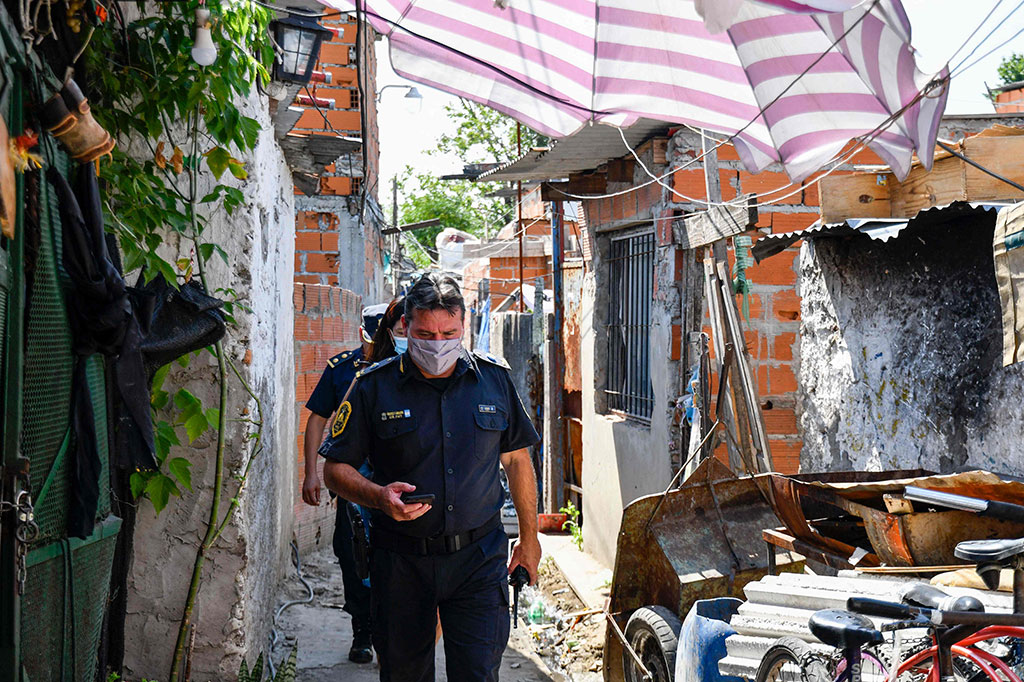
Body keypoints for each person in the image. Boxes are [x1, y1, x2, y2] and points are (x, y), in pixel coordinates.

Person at [321, 273, 542, 682]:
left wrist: (529, 539)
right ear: (405, 326)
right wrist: (377, 495)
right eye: (426, 333)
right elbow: (334, 469)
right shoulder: (372, 387)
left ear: (464, 327)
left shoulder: (493, 381)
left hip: (478, 560)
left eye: (449, 332)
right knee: (404, 675)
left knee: (477, 674)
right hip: (401, 563)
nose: (438, 343)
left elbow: (516, 461)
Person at [301, 303, 388, 664]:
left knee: (397, 561)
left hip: (397, 481)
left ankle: (390, 634)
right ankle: (362, 633)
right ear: (362, 336)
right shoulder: (342, 370)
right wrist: (311, 472)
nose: (378, 348)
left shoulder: (407, 369)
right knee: (353, 557)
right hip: (353, 485)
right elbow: (317, 419)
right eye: (373, 341)